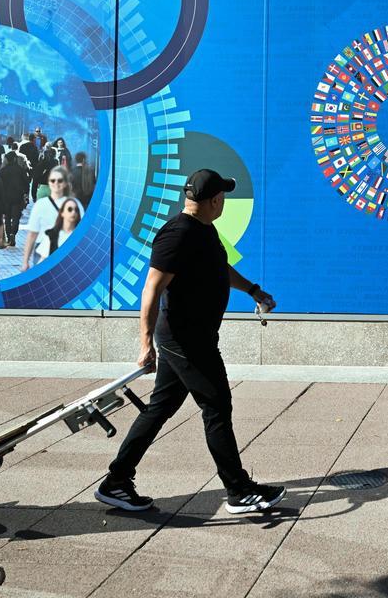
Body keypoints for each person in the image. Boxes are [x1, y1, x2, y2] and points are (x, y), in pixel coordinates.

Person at [95, 169, 283, 515]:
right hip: (185, 340)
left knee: (160, 408)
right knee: (217, 407)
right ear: (214, 200)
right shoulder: (178, 234)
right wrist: (145, 344)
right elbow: (152, 288)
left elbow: (220, 269)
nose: (224, 202)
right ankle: (238, 489)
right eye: (222, 197)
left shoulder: (204, 231)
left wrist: (254, 291)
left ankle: (116, 481)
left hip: (193, 338)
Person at [20, 165, 84, 270]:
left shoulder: (75, 204)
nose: (56, 183)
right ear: (49, 182)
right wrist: (25, 261)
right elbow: (32, 234)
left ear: (65, 183)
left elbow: (82, 231)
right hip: (42, 249)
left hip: (67, 249)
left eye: (60, 180)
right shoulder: (40, 205)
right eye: (53, 180)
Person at [0, 151, 28, 247]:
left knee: (7, 217)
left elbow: (0, 186)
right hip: (17, 197)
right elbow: (26, 183)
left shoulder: (2, 171)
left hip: (6, 198)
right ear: (15, 158)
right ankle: (13, 233)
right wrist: (26, 193)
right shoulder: (20, 170)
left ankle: (8, 235)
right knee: (16, 217)